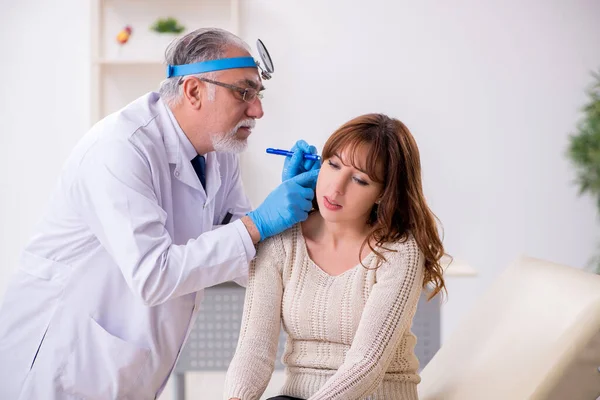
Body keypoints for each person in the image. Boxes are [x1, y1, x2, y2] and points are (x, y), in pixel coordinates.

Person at [0, 28, 320, 400]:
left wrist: (295, 222)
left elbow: (242, 255)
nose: (258, 109)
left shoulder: (220, 152)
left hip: (128, 367)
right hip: (59, 365)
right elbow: (153, 275)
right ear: (194, 91)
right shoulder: (120, 148)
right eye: (244, 92)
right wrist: (259, 223)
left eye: (258, 94)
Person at [223, 113, 447, 400]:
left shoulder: (398, 252)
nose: (336, 187)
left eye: (359, 180)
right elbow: (253, 348)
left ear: (383, 193)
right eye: (333, 164)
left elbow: (366, 364)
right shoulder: (282, 238)